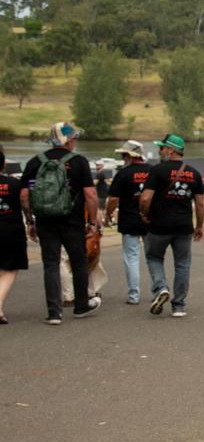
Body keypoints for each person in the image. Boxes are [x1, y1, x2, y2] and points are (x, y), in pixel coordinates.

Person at [19, 121, 102, 325]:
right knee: (78, 261)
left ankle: (54, 312)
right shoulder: (79, 162)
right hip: (72, 222)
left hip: (46, 222)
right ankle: (81, 305)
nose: (75, 142)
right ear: (69, 140)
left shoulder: (34, 162)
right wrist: (92, 223)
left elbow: (24, 195)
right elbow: (90, 194)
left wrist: (30, 220)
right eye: (74, 138)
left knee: (51, 264)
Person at [140, 134, 204, 318]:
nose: (160, 151)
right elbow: (200, 204)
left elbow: (145, 198)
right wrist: (199, 226)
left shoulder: (157, 170)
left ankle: (161, 288)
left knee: (153, 257)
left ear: (170, 150)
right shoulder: (194, 173)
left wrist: (144, 213)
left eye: (162, 148)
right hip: (184, 226)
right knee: (182, 264)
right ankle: (179, 305)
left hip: (159, 225)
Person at [104, 140, 151, 305]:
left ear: (130, 155)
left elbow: (113, 199)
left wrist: (108, 215)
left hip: (129, 220)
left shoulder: (123, 174)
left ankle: (134, 295)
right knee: (152, 258)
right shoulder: (153, 171)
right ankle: (158, 291)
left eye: (124, 154)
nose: (123, 158)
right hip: (150, 220)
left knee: (131, 258)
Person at [0, 145, 30, 324]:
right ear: (3, 165)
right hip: (11, 229)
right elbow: (25, 202)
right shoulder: (14, 183)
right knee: (9, 269)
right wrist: (30, 221)